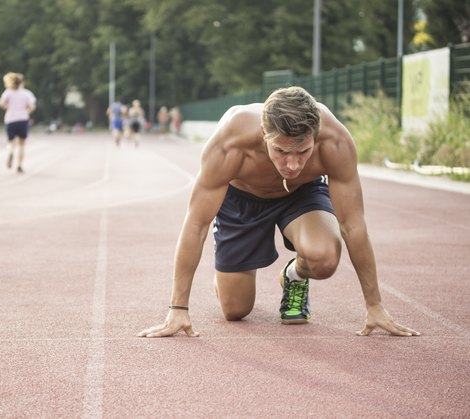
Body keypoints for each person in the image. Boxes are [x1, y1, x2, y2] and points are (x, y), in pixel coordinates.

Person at [138, 86, 420, 338]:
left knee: (324, 258)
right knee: (235, 310)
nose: (293, 165)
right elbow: (196, 224)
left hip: (301, 194)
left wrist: (374, 305)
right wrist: (178, 307)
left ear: (316, 135)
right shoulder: (230, 142)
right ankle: (227, 273)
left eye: (303, 152)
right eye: (282, 151)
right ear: (264, 134)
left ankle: (294, 276)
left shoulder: (335, 142)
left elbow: (353, 225)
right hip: (242, 200)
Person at [0, 72, 36, 174]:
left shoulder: (8, 92)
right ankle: (19, 165)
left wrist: (8, 108)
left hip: (10, 119)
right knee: (22, 145)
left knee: (11, 142)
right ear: (22, 82)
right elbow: (32, 107)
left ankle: (10, 152)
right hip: (23, 119)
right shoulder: (27, 93)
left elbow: (1, 103)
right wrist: (25, 112)